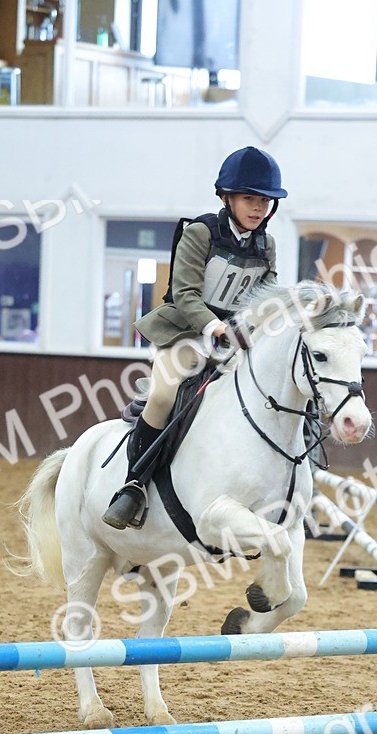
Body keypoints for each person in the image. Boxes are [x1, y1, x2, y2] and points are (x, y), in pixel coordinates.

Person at [102, 145, 286, 530]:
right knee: (165, 395)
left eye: (265, 201)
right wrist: (214, 326)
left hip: (234, 338)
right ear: (226, 198)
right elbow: (184, 293)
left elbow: (265, 297)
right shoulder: (200, 233)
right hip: (185, 332)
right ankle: (133, 485)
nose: (258, 208)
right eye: (249, 199)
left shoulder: (266, 244)